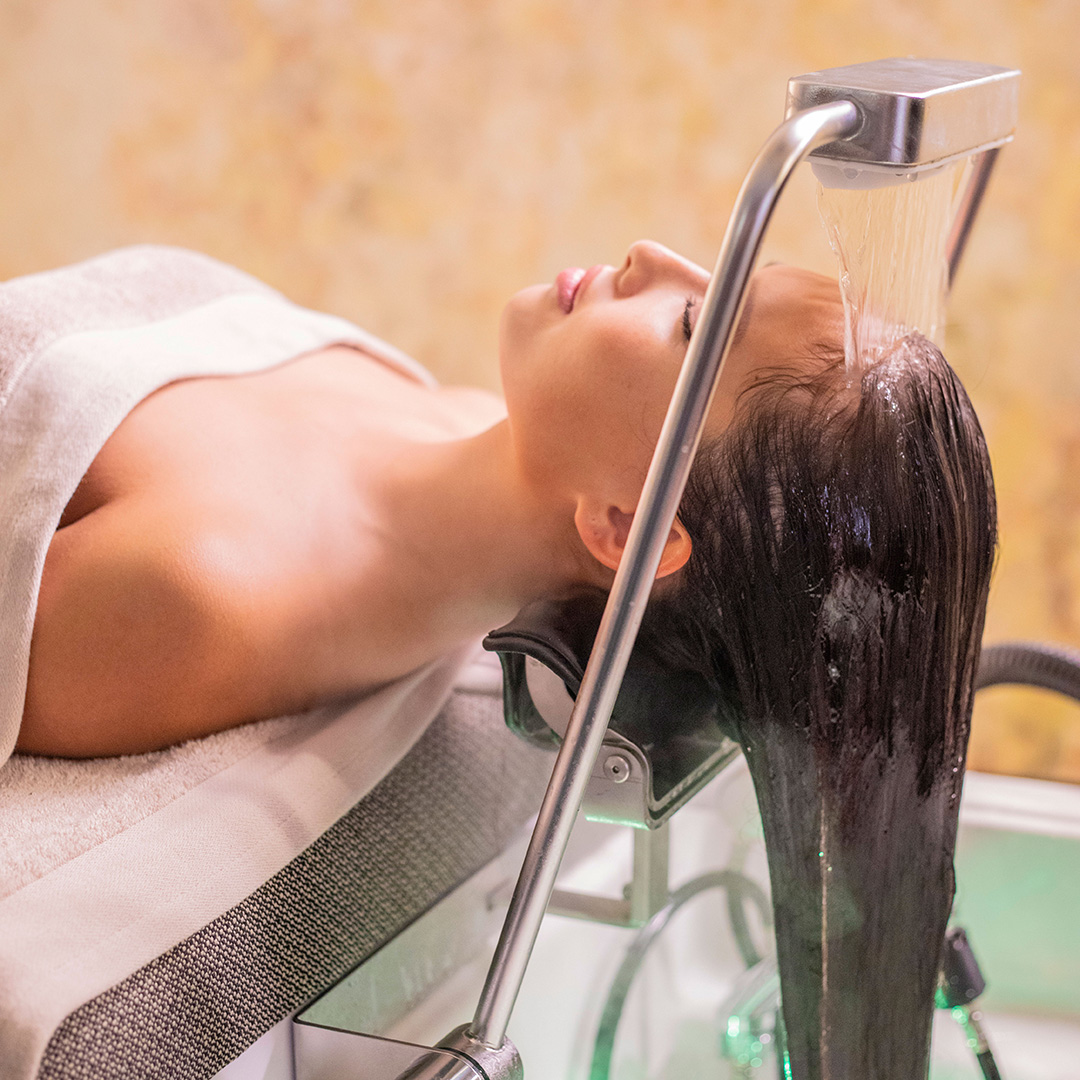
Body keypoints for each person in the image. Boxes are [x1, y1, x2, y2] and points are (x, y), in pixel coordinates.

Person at [14, 241, 976, 766]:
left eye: (694, 323)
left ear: (627, 528)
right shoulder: (465, 418)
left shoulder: (203, 591)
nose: (651, 254)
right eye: (722, 272)